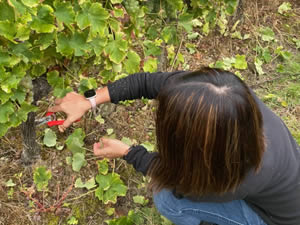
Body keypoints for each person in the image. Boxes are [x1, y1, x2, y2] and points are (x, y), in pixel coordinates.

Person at [48, 68, 300, 225]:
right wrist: (89, 101)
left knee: (168, 200)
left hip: (274, 219)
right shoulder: (222, 95)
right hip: (284, 186)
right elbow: (147, 82)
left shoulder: (242, 176)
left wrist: (128, 153)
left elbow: (181, 185)